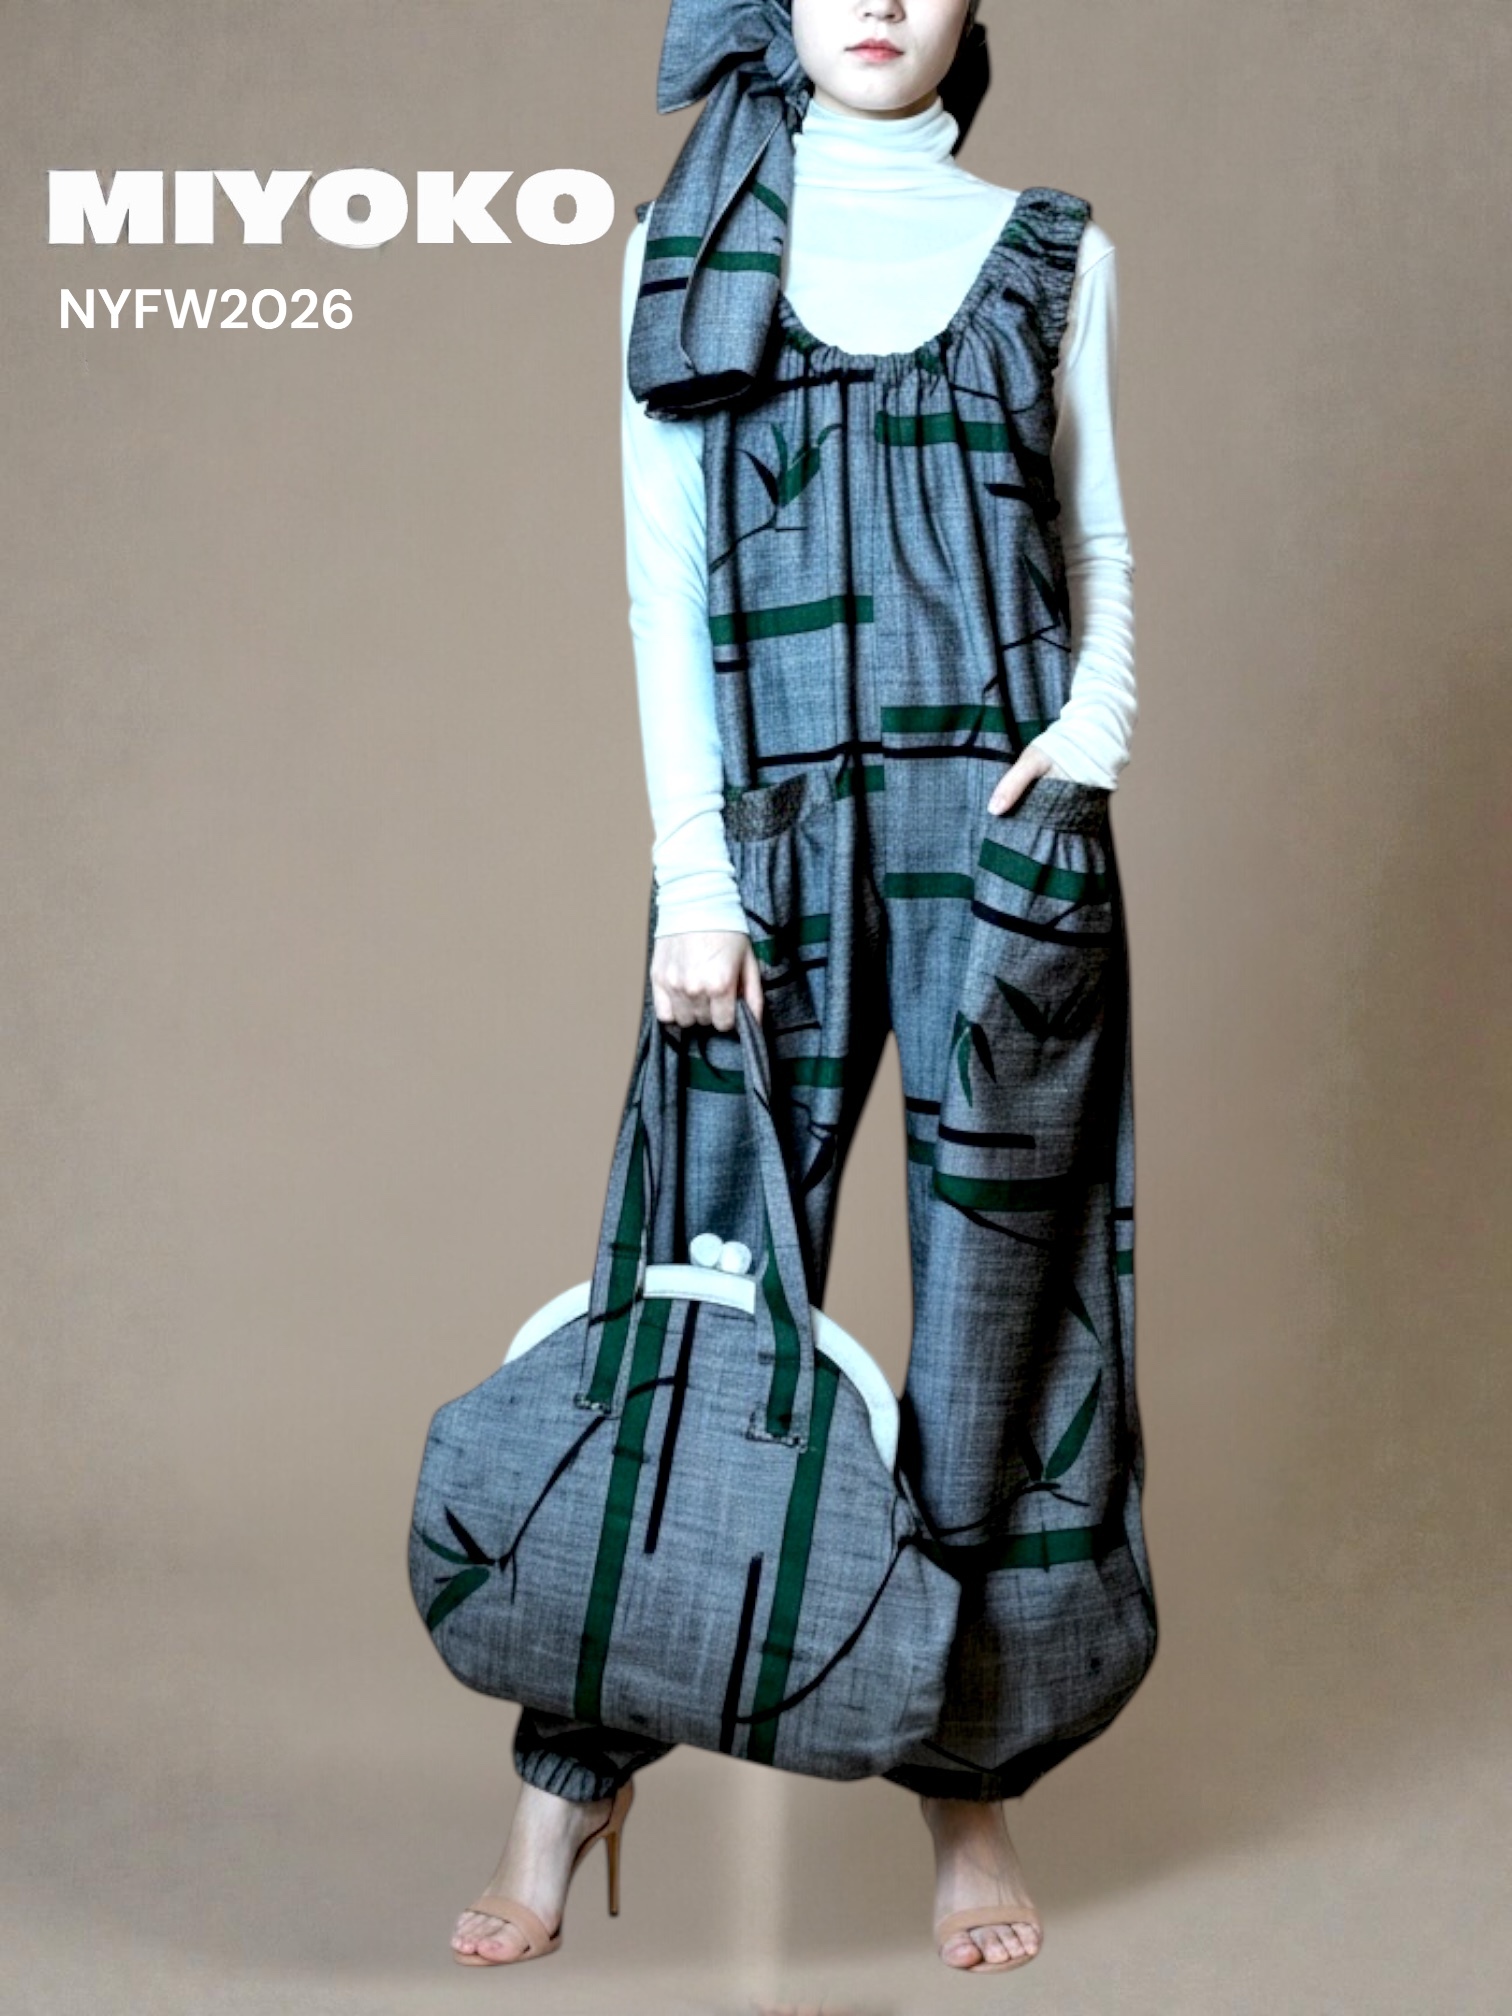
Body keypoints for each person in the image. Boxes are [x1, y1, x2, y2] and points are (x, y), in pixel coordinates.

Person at [451, 0, 1156, 1976]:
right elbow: (662, 575)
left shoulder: (1053, 254)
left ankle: (969, 1789)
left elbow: (1097, 537)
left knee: (1010, 1320)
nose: (878, 0)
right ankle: (569, 1781)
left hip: (999, 834)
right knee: (685, 1299)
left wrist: (1087, 742)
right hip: (760, 848)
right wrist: (693, 876)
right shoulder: (688, 252)